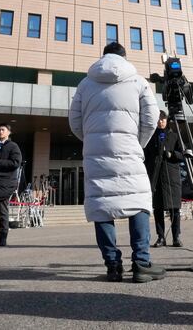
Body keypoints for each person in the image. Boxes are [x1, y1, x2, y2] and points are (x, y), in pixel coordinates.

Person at [68, 42, 164, 283]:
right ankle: (142, 264)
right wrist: (137, 141)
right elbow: (151, 118)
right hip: (130, 147)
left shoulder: (85, 83)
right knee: (138, 200)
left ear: (103, 56)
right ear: (124, 57)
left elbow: (74, 121)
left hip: (95, 151)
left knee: (101, 204)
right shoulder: (138, 81)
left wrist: (92, 139)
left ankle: (113, 266)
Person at [144, 111, 184, 247]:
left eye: (163, 119)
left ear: (167, 120)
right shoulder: (150, 137)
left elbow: (182, 154)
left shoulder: (174, 135)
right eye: (158, 120)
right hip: (156, 177)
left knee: (175, 210)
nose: (160, 122)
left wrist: (172, 154)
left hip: (172, 177)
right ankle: (161, 237)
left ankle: (176, 237)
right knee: (158, 209)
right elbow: (145, 157)